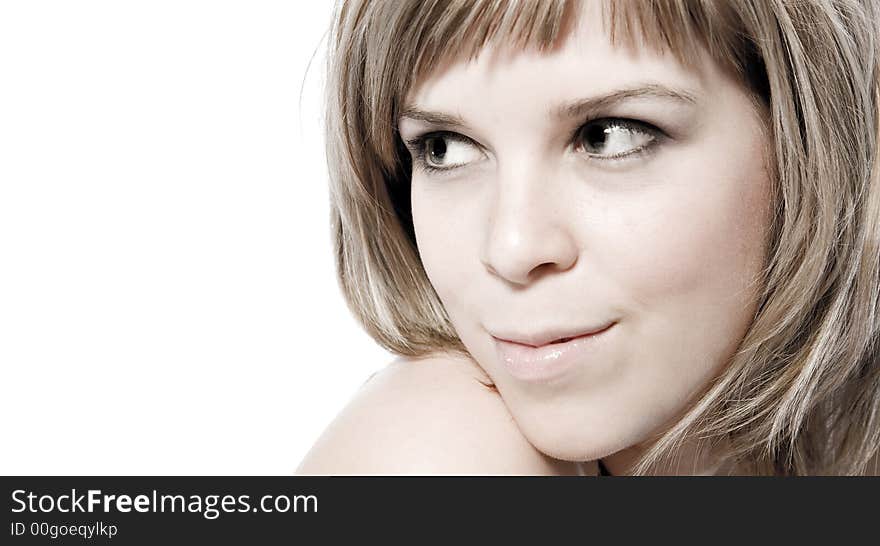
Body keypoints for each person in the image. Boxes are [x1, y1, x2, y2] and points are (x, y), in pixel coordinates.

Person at [296, 0, 880, 475]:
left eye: (605, 136)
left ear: (812, 144)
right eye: (444, 146)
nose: (513, 248)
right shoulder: (441, 452)